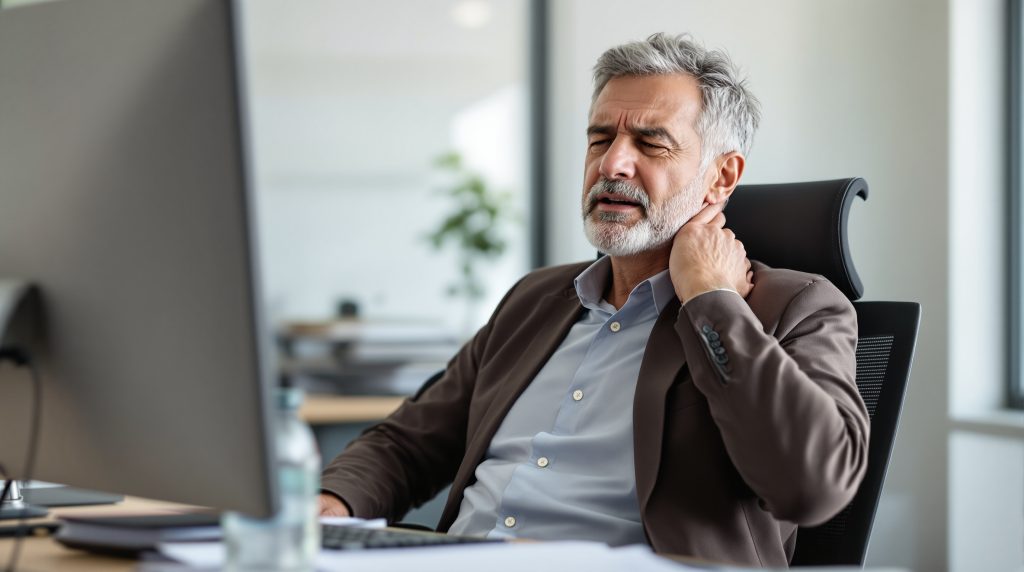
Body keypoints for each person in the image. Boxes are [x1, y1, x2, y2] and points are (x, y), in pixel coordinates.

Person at [318, 33, 868, 567]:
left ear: (721, 177)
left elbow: (811, 488)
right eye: (600, 139)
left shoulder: (794, 308)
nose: (612, 165)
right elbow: (409, 442)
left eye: (650, 143)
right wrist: (331, 504)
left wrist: (712, 300)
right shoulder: (536, 298)